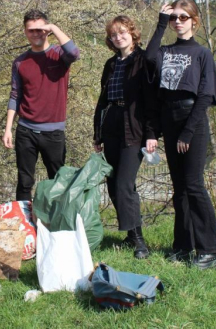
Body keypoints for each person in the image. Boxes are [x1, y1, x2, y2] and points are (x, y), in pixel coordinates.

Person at [146, 0, 216, 269]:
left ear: (194, 21)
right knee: (179, 188)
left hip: (192, 120)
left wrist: (188, 132)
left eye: (183, 17)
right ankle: (182, 246)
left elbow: (205, 95)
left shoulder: (202, 53)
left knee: (193, 185)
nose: (178, 21)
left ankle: (213, 252)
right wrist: (159, 22)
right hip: (169, 118)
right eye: (174, 18)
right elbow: (148, 58)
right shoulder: (165, 51)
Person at [92, 16, 160, 259]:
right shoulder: (110, 64)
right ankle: (131, 235)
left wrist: (152, 134)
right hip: (111, 125)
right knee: (114, 185)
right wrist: (97, 134)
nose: (117, 37)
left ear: (132, 33)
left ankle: (140, 241)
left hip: (134, 127)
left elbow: (151, 101)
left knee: (124, 185)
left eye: (122, 32)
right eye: (113, 34)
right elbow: (102, 100)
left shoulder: (143, 60)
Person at [2, 10, 80, 201]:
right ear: (25, 32)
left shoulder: (59, 55)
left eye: (40, 29)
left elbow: (74, 53)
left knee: (58, 181)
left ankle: (57, 225)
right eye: (31, 30)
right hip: (26, 130)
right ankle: (26, 225)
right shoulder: (20, 62)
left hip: (53, 132)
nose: (36, 34)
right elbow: (15, 95)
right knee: (24, 181)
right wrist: (8, 129)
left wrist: (53, 28)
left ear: (47, 30)